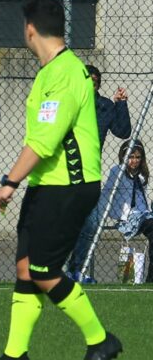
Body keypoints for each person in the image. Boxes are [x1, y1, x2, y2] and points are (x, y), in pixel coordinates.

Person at [0, 0, 122, 360]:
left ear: (30, 29)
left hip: (69, 186)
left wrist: (9, 182)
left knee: (44, 270)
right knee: (25, 269)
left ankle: (101, 340)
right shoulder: (49, 72)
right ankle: (16, 356)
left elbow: (44, 141)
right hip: (46, 184)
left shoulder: (66, 72)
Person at [66, 64, 131, 282]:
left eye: (95, 82)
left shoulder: (104, 106)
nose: (90, 85)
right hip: (66, 172)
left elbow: (123, 131)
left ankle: (77, 269)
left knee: (92, 224)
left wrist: (121, 104)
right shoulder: (70, 104)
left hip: (91, 174)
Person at [99, 140, 153, 283]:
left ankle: (150, 277)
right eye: (130, 156)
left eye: (137, 157)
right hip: (128, 217)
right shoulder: (117, 171)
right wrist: (101, 214)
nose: (134, 160)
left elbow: (142, 199)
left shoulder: (142, 175)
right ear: (123, 156)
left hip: (143, 214)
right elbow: (107, 193)